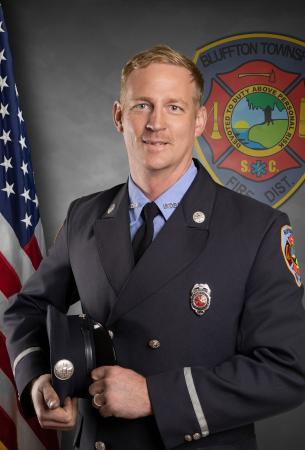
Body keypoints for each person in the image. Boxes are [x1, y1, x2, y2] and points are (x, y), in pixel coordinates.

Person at [3, 45, 305, 450]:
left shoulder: (257, 228)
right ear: (118, 117)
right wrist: (40, 376)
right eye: (142, 105)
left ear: (199, 121)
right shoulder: (86, 216)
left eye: (175, 108)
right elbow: (27, 309)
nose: (156, 123)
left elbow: (289, 369)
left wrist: (157, 397)